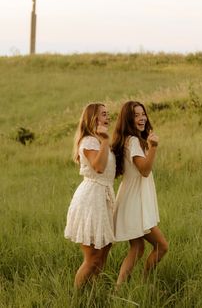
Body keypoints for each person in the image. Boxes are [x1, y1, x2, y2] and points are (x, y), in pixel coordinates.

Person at [112, 101, 168, 286]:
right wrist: (153, 147)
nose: (142, 118)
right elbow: (144, 170)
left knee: (137, 247)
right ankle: (145, 284)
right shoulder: (133, 141)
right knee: (161, 246)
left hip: (131, 200)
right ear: (128, 119)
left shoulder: (130, 140)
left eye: (142, 113)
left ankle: (118, 290)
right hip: (134, 204)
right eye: (136, 115)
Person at [64, 103, 116, 288]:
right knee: (92, 257)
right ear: (93, 118)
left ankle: (94, 293)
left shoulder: (99, 140)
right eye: (103, 114)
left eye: (108, 114)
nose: (108, 117)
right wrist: (105, 141)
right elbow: (99, 167)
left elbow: (110, 170)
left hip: (104, 197)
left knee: (104, 250)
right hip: (91, 199)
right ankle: (76, 298)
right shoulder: (89, 141)